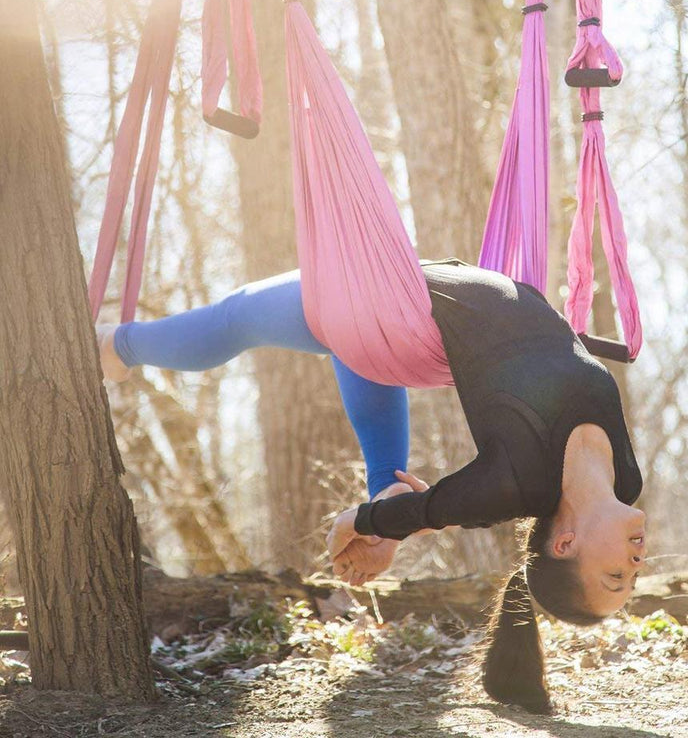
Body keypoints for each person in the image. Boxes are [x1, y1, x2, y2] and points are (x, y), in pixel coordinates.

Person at [97, 258, 645, 713]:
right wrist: (386, 514)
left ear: (564, 544)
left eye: (616, 574)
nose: (637, 565)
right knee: (349, 347)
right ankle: (120, 349)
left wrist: (364, 523)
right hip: (428, 291)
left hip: (395, 300)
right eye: (628, 578)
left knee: (238, 318)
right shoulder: (627, 476)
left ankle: (116, 346)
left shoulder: (511, 484)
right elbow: (429, 507)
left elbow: (432, 508)